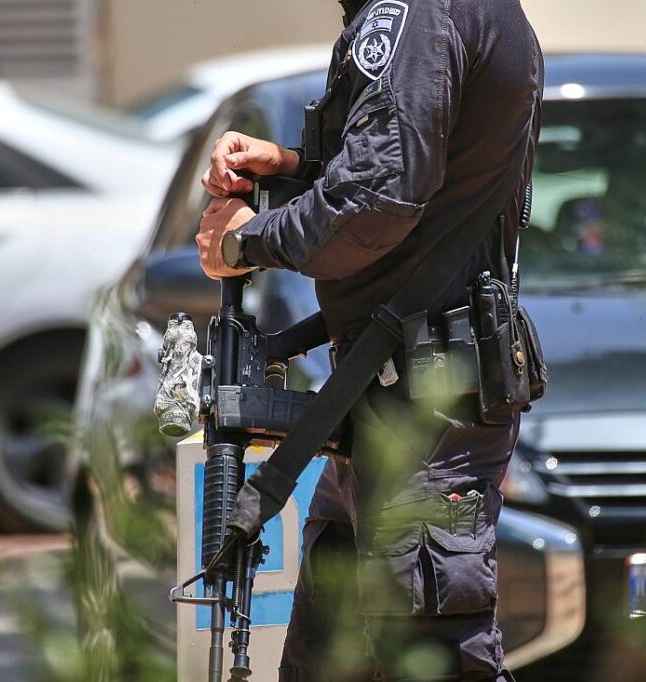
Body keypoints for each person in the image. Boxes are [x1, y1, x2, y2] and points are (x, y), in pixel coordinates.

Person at [195, 0, 543, 679]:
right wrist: (292, 165)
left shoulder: (415, 10)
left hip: (422, 416)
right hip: (392, 404)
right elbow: (422, 177)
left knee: (433, 662)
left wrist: (243, 242)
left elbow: (376, 203)